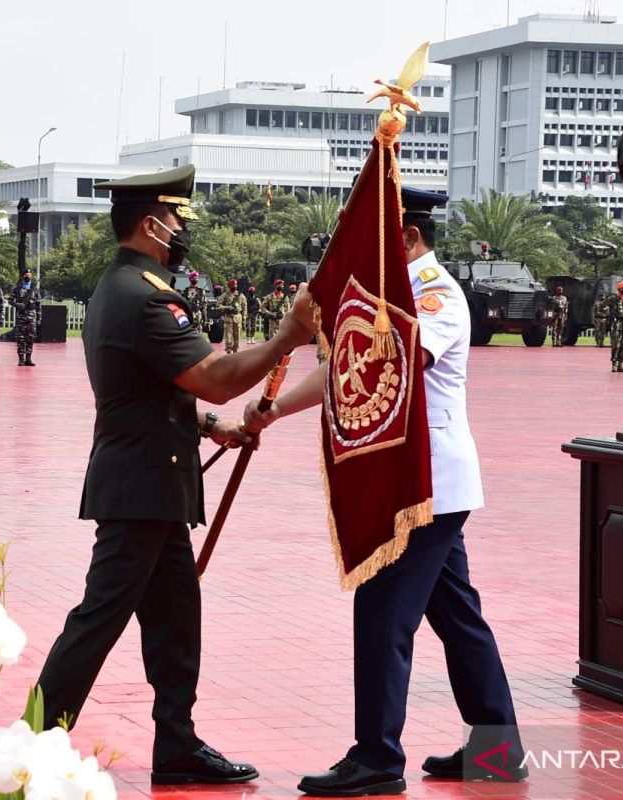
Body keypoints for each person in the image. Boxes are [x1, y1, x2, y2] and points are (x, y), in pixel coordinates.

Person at [35, 164, 317, 787]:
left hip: (151, 482)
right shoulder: (146, 296)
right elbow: (214, 378)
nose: (181, 232)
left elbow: (150, 393)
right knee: (101, 617)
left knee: (174, 618)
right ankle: (34, 740)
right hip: (141, 488)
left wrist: (212, 431)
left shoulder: (120, 287)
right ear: (150, 223)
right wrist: (287, 336)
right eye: (176, 221)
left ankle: (177, 743)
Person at [247, 187, 526, 797]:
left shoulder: (434, 295)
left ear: (407, 239)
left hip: (424, 485)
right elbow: (345, 364)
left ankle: (376, 756)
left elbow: (389, 360)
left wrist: (316, 327)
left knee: (382, 615)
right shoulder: (391, 298)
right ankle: (498, 748)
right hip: (420, 482)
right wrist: (273, 409)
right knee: (458, 617)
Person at [10, 267, 41, 366]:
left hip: (32, 316)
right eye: (26, 275)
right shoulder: (17, 289)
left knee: (30, 338)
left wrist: (39, 318)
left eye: (29, 275)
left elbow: (38, 305)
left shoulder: (34, 289)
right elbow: (10, 300)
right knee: (21, 338)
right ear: (22, 276)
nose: (28, 276)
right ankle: (21, 359)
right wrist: (17, 305)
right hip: (21, 317)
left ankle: (28, 358)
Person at [217, 278, 247, 353]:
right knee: (228, 337)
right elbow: (218, 305)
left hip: (238, 318)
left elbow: (244, 306)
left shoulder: (240, 295)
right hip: (229, 318)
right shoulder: (225, 295)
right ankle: (229, 351)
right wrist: (227, 307)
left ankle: (236, 351)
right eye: (233, 284)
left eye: (236, 284)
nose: (235, 286)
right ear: (229, 286)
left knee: (237, 337)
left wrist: (244, 317)